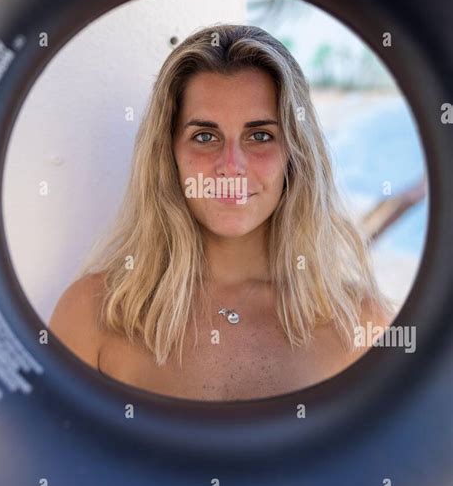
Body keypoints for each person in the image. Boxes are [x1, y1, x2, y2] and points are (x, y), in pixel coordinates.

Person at [49, 24, 395, 400]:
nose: (231, 167)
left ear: (294, 155)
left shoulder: (362, 326)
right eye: (205, 136)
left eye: (260, 135)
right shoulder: (91, 315)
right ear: (169, 154)